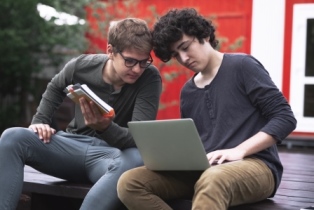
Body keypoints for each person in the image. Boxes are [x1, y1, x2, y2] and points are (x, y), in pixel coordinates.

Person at [117, 8, 297, 210]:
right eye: (176, 54)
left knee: (213, 179)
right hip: (206, 168)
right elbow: (193, 141)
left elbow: (285, 117)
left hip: (256, 166)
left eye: (185, 47)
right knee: (130, 182)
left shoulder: (243, 66)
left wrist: (239, 151)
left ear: (203, 34)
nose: (184, 59)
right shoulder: (188, 91)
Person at [0, 18, 162, 210]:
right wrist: (40, 120)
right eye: (130, 61)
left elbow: (139, 138)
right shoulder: (81, 66)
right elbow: (55, 87)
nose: (137, 69)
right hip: (70, 148)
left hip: (111, 157)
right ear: (110, 51)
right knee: (12, 137)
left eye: (144, 62)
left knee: (137, 159)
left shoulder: (150, 78)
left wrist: (106, 128)